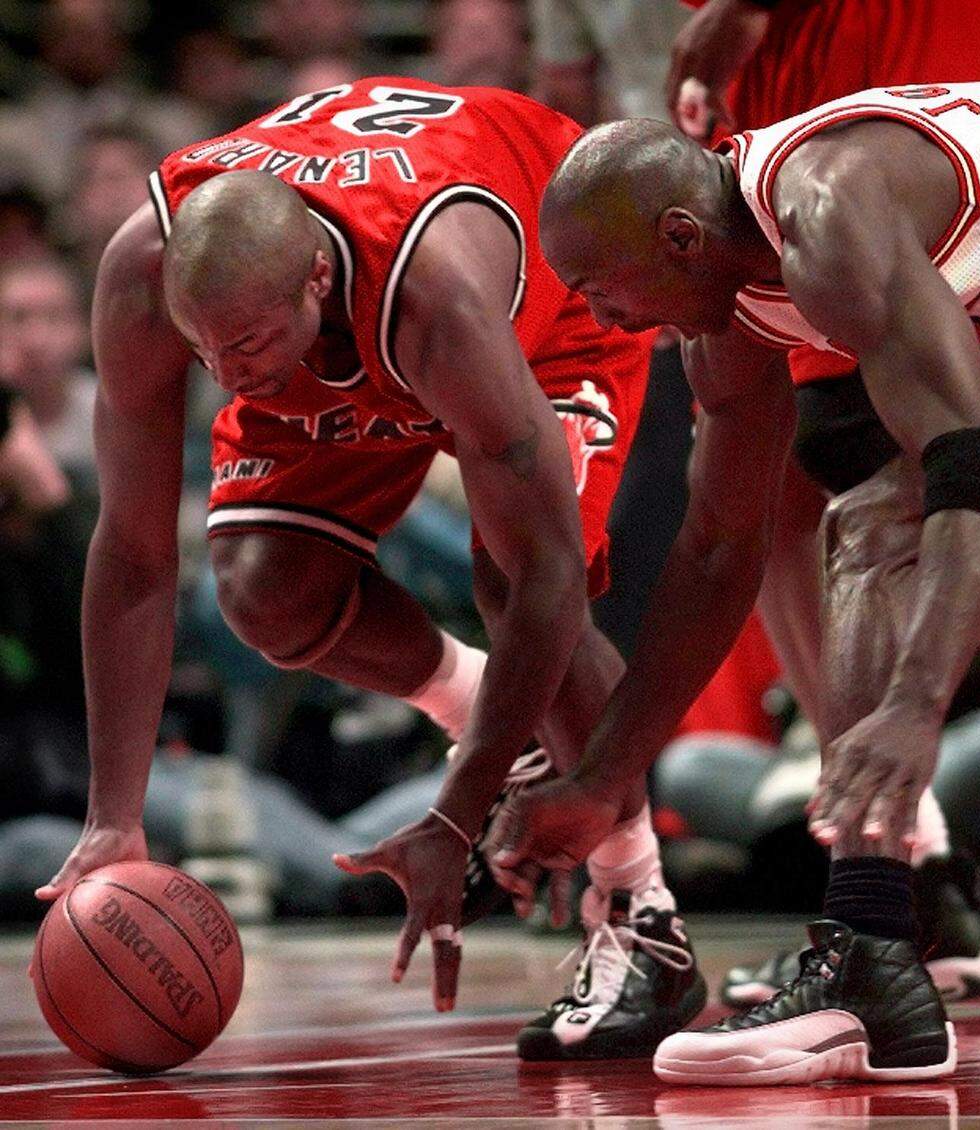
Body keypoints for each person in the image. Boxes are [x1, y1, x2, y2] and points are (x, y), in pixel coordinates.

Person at [34, 76, 706, 1058]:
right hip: (335, 316)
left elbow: (548, 581)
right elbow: (134, 553)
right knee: (268, 590)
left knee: (511, 581)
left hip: (546, 312)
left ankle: (644, 912)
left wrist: (456, 810)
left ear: (312, 278)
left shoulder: (436, 300)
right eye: (203, 350)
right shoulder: (150, 274)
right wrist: (113, 816)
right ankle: (472, 698)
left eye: (245, 346)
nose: (226, 375)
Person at [488, 81, 980, 1084]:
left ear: (678, 236)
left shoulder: (824, 217)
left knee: (883, 509)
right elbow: (713, 552)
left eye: (597, 286)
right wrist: (601, 775)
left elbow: (976, 469)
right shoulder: (727, 318)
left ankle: (874, 945)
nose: (601, 319)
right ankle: (908, 931)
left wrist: (918, 704)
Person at [668, 0, 980, 1015]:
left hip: (872, 55)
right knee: (825, 478)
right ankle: (903, 872)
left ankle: (897, 890)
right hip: (807, 104)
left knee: (905, 457)